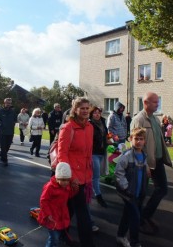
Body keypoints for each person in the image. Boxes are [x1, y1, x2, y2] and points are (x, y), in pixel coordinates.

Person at [130, 91, 172, 235]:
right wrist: (145, 164)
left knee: (162, 189)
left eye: (158, 101)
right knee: (140, 194)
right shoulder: (139, 120)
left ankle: (145, 215)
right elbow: (135, 145)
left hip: (157, 161)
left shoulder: (155, 119)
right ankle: (139, 222)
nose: (157, 104)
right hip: (144, 163)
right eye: (155, 102)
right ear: (146, 103)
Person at [58, 97, 95, 247]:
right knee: (83, 213)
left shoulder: (90, 127)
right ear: (75, 110)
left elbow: (88, 152)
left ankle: (61, 233)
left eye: (87, 108)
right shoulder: (68, 128)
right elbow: (62, 154)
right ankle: (88, 243)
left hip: (86, 175)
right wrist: (70, 177)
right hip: (73, 177)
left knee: (70, 208)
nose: (85, 111)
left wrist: (90, 174)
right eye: (82, 108)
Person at [115, 127, 149, 247]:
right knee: (135, 217)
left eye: (141, 139)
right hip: (128, 192)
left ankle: (120, 236)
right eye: (136, 139)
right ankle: (135, 242)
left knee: (127, 215)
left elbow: (143, 172)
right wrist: (126, 187)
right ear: (131, 139)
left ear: (145, 141)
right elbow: (118, 172)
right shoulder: (127, 155)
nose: (139, 141)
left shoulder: (144, 155)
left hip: (138, 192)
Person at [38, 162, 76, 247]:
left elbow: (69, 195)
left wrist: (75, 189)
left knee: (57, 235)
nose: (65, 182)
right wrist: (47, 214)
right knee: (53, 237)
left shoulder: (66, 186)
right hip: (52, 215)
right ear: (57, 177)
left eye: (67, 180)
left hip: (61, 214)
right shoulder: (50, 187)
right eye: (63, 180)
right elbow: (44, 201)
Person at [89, 106, 108, 208]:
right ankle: (98, 196)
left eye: (98, 113)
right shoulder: (89, 124)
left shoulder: (103, 122)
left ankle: (88, 190)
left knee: (95, 175)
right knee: (96, 175)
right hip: (93, 152)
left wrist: (110, 139)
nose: (97, 114)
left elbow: (106, 134)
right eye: (95, 113)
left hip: (102, 152)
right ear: (91, 114)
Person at [0, 98, 16, 166]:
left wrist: (13, 123)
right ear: (4, 103)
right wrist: (1, 125)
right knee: (3, 146)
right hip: (2, 132)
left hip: (10, 132)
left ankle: (2, 154)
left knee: (8, 146)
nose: (8, 104)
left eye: (9, 103)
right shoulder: (0, 111)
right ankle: (5, 160)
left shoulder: (12, 111)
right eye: (7, 103)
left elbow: (15, 119)